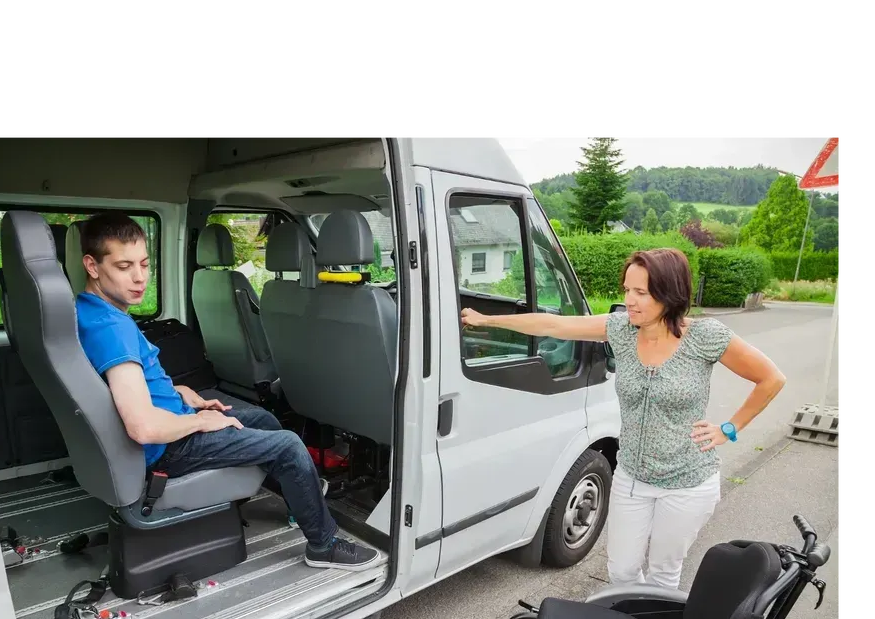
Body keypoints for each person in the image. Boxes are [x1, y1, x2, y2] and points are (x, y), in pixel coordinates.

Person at [73, 210, 382, 572]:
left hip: (170, 424)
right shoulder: (112, 329)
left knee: (263, 419)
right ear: (92, 266)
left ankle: (300, 499)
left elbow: (123, 386)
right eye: (124, 267)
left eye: (143, 264)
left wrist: (179, 391)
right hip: (168, 448)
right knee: (288, 445)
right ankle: (324, 545)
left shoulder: (90, 310)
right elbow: (143, 427)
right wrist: (200, 422)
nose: (140, 277)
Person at [460, 248, 786, 589]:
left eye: (641, 292)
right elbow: (553, 324)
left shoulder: (705, 337)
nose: (629, 300)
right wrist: (487, 321)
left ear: (669, 293)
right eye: (627, 290)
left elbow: (771, 379)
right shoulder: (620, 329)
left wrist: (729, 428)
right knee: (622, 572)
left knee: (663, 575)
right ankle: (630, 611)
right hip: (632, 477)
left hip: (687, 483)